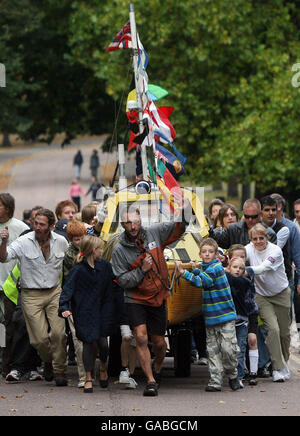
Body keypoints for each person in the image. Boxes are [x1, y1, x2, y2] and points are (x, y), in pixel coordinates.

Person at [112, 199, 190, 397]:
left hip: (158, 296)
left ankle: (158, 367)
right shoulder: (119, 249)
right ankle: (151, 381)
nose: (132, 226)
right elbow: (121, 280)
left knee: (159, 343)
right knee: (140, 336)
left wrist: (186, 209)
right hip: (135, 298)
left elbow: (179, 227)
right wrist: (141, 270)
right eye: (128, 223)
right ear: (123, 225)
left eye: (135, 221)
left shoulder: (155, 232)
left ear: (140, 220)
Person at [0, 208, 69, 386]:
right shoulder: (24, 241)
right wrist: (3, 242)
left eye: (42, 224)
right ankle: (47, 360)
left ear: (51, 227)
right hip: (31, 294)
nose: (37, 227)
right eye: (35, 223)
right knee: (38, 340)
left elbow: (71, 262)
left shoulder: (61, 242)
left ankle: (59, 370)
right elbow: (4, 257)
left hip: (54, 292)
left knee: (59, 334)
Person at [176, 238, 240, 392]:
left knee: (228, 349)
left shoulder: (217, 267)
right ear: (200, 254)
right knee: (213, 351)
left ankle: (232, 374)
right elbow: (204, 275)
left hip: (225, 316)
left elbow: (203, 282)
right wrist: (196, 270)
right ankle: (215, 380)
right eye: (204, 252)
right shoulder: (208, 268)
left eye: (211, 252)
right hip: (211, 318)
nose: (207, 254)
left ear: (216, 255)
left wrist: (184, 273)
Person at [58, 235, 116, 394]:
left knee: (103, 344)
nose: (102, 251)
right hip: (84, 311)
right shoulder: (78, 270)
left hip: (103, 310)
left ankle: (103, 366)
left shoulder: (105, 266)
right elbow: (67, 290)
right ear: (92, 251)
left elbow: (113, 287)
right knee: (88, 344)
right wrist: (63, 307)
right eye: (99, 248)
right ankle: (88, 377)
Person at [245, 223, 291, 382]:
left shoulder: (275, 251)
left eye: (261, 238)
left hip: (281, 294)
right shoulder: (248, 249)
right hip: (262, 296)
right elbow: (235, 256)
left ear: (267, 238)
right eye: (255, 239)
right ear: (251, 240)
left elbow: (264, 268)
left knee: (284, 333)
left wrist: (247, 270)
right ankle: (278, 368)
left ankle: (284, 361)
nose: (258, 241)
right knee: (273, 330)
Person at [0, 193, 29, 377]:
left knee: (10, 327)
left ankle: (8, 365)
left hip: (9, 286)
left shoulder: (20, 228)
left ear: (8, 208)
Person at [227, 244, 259, 384]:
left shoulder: (247, 275)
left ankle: (246, 375)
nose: (238, 267)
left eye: (242, 258)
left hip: (247, 315)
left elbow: (236, 279)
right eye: (236, 258)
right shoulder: (227, 274)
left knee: (246, 343)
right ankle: (232, 374)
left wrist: (223, 269)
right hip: (228, 318)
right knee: (229, 350)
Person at [63, 220, 87, 388]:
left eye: (81, 238)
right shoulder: (68, 255)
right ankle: (84, 376)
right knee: (77, 339)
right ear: (71, 239)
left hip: (91, 300)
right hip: (75, 300)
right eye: (76, 239)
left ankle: (96, 371)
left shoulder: (91, 248)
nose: (79, 242)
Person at [212, 198, 277, 249]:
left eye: (253, 217)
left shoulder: (269, 233)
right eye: (247, 216)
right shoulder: (233, 229)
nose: (250, 220)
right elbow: (217, 244)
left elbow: (272, 258)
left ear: (260, 214)